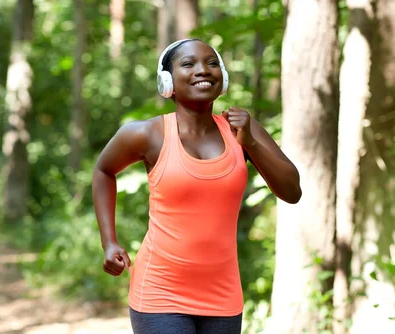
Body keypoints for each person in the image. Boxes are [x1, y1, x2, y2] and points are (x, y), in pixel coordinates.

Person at [92, 38, 302, 334]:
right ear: (168, 82)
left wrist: (250, 143)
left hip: (224, 296)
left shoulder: (241, 129)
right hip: (160, 293)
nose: (203, 70)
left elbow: (292, 191)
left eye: (212, 63)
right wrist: (109, 241)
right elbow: (103, 170)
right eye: (188, 64)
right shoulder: (146, 134)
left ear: (223, 78)